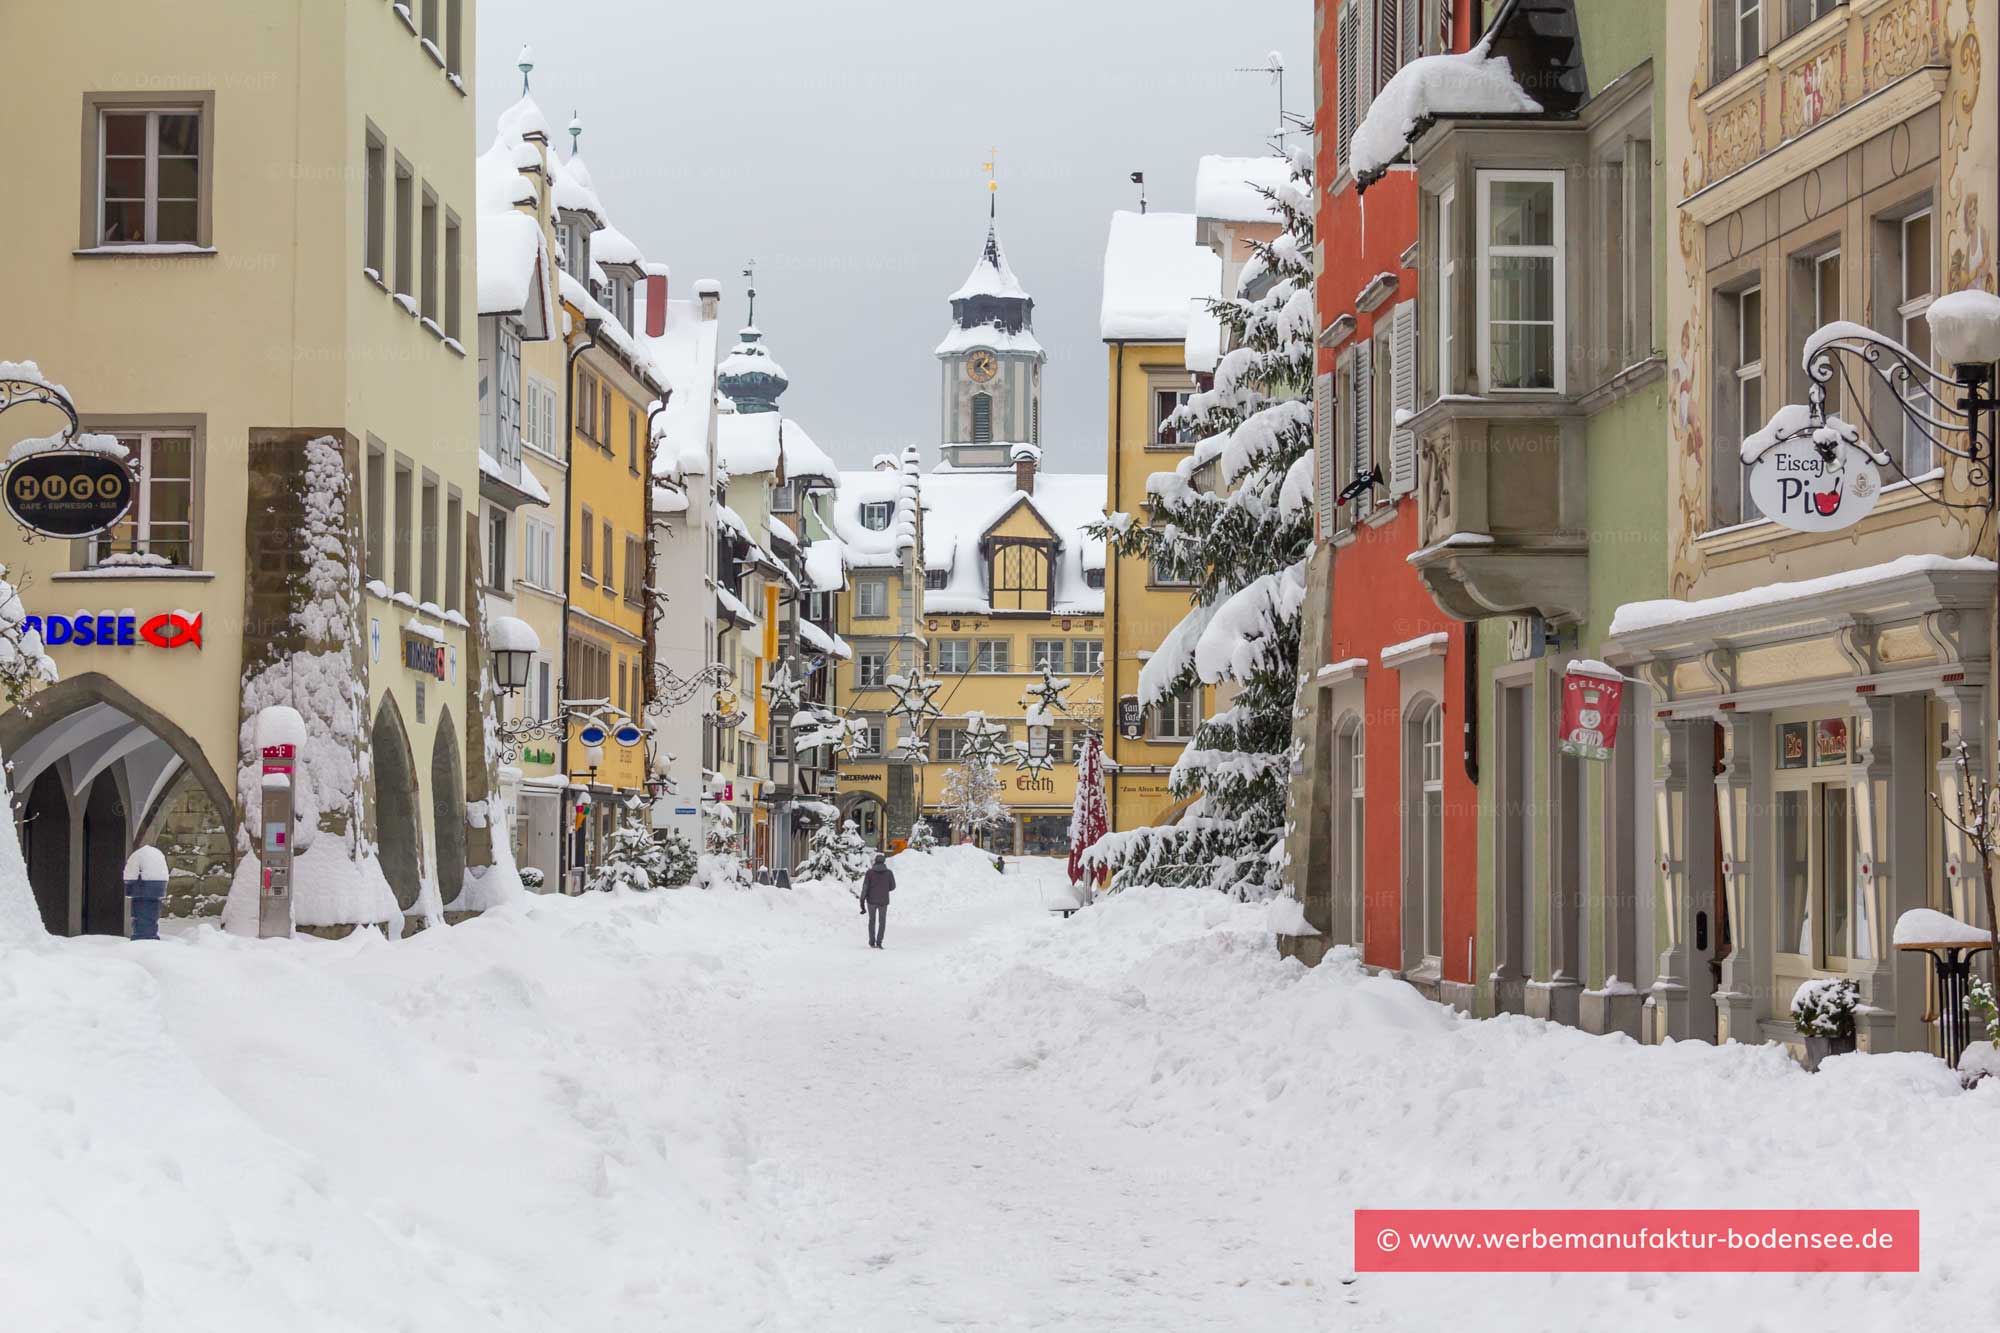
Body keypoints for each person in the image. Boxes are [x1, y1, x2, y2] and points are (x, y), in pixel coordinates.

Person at [860, 852, 895, 949]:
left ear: (875, 861)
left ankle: (872, 942)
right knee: (882, 922)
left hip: (871, 901)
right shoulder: (889, 873)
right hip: (883, 901)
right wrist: (884, 889)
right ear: (884, 862)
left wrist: (862, 902)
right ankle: (879, 942)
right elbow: (893, 887)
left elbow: (865, 888)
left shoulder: (869, 873)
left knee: (872, 921)